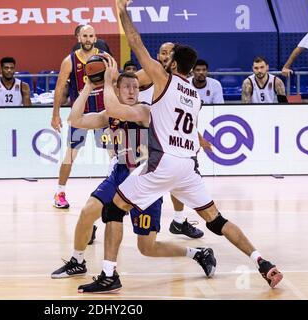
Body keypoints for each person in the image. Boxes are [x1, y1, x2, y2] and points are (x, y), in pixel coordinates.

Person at [79, 0, 284, 292]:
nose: (164, 60)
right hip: (188, 166)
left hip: (163, 162)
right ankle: (263, 261)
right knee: (216, 220)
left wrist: (122, 11)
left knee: (113, 210)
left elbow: (136, 44)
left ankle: (109, 274)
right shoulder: (195, 94)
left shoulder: (164, 79)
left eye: (168, 57)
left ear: (173, 64)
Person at [52, 71, 216, 295]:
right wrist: (88, 87)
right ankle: (77, 261)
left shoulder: (146, 111)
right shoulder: (109, 114)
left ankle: (197, 253)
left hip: (146, 179)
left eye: (135, 87)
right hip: (120, 173)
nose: (131, 91)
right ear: (118, 90)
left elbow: (179, 128)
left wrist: (108, 83)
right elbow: (75, 119)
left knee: (147, 247)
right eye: (126, 87)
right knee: (88, 212)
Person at [139, 42, 208, 239]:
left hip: (164, 135)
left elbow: (183, 119)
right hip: (142, 131)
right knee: (122, 176)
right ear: (158, 56)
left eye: (170, 53)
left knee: (176, 177)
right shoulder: (151, 73)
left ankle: (178, 221)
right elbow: (126, 86)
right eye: (163, 52)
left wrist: (199, 138)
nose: (167, 56)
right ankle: (97, 215)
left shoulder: (177, 83)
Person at [51, 25, 107, 211]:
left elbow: (115, 82)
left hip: (102, 114)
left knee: (116, 154)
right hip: (80, 115)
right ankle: (59, 192)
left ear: (95, 37)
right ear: (78, 38)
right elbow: (59, 88)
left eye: (91, 36)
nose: (88, 39)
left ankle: (119, 191)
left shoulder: (105, 58)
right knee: (70, 155)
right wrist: (55, 114)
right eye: (85, 36)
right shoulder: (69, 61)